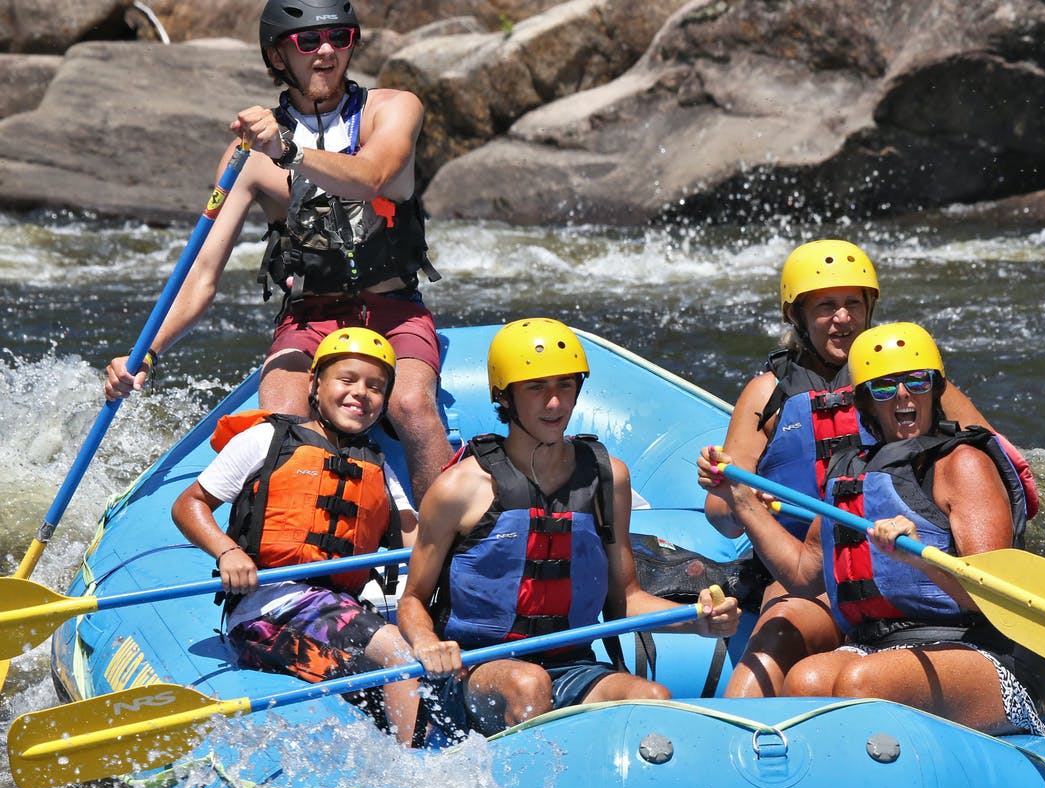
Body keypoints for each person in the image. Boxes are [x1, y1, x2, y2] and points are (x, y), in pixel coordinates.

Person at [106, 0, 450, 505]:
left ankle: (447, 551)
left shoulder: (393, 108)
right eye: (308, 41)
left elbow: (371, 176)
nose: (326, 50)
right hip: (309, 318)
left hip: (395, 310)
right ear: (277, 56)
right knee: (285, 422)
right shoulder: (247, 153)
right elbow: (201, 277)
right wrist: (144, 356)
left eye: (339, 37)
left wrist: (290, 151)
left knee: (412, 405)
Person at [698, 238, 1036, 699]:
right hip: (826, 566)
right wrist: (737, 496)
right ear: (797, 316)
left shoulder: (946, 430)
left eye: (853, 304)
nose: (843, 318)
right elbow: (782, 557)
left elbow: (997, 470)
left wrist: (927, 548)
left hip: (936, 594)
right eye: (826, 306)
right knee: (787, 643)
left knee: (853, 679)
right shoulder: (824, 447)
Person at [397, 318, 741, 737]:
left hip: (571, 663)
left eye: (565, 385)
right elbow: (412, 600)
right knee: (529, 684)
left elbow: (626, 599)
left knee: (654, 699)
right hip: (477, 667)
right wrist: (428, 645)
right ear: (503, 396)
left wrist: (698, 621)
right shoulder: (459, 489)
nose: (555, 403)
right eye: (537, 388)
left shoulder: (607, 479)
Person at [172, 327, 421, 743]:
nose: (361, 393)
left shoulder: (377, 466)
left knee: (377, 681)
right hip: (265, 609)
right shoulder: (269, 440)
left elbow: (416, 541)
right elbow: (188, 505)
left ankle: (392, 757)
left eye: (376, 387)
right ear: (315, 384)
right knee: (396, 654)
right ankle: (413, 770)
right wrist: (228, 552)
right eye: (347, 379)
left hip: (334, 607)